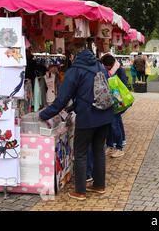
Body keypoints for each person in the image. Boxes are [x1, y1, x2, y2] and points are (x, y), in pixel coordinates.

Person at [39, 42, 114, 201]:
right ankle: (99, 185)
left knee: (80, 152)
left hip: (88, 117)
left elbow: (61, 100)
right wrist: (73, 107)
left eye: (70, 57)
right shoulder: (100, 66)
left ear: (73, 56)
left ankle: (80, 191)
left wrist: (43, 115)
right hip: (106, 114)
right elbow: (92, 92)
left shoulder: (75, 70)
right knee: (99, 150)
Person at [101, 54, 130, 159]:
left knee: (115, 124)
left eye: (104, 66)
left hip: (117, 102)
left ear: (109, 65)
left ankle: (119, 147)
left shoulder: (119, 70)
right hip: (109, 101)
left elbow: (123, 86)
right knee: (110, 125)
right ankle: (110, 145)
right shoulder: (110, 71)